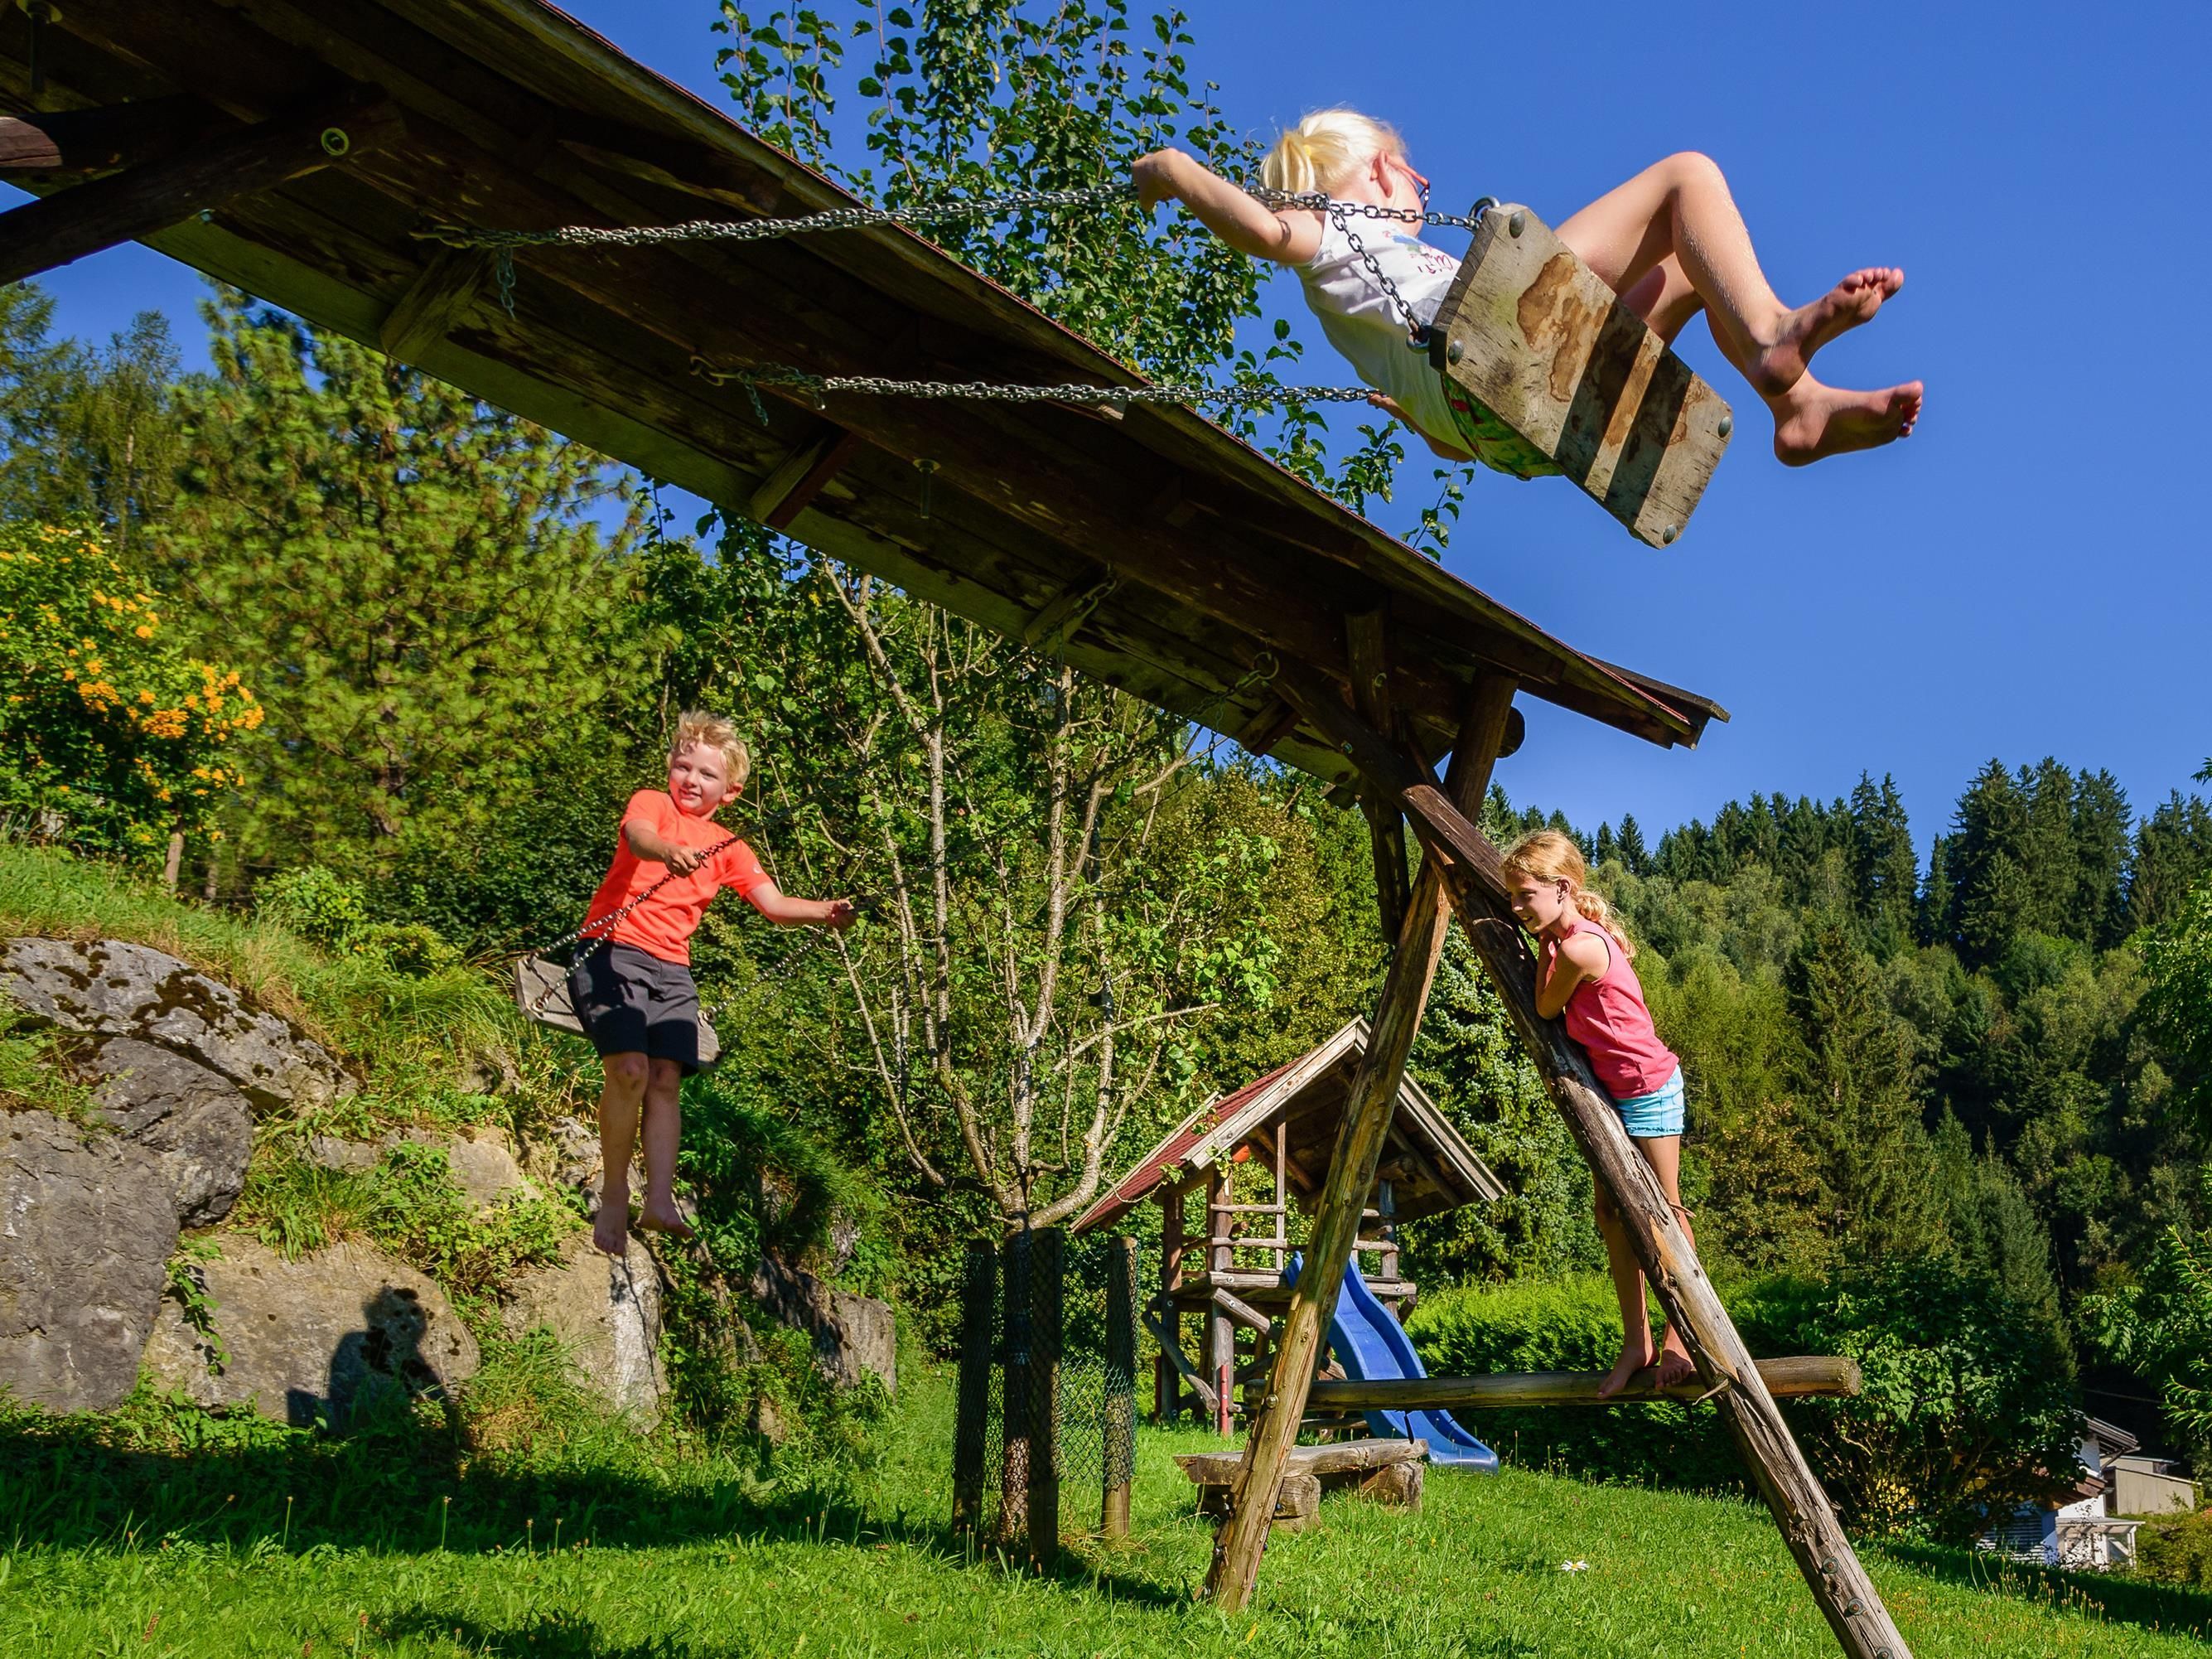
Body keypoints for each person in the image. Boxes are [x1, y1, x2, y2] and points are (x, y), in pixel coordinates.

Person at [1133, 111, 1922, 471]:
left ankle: (1798, 408)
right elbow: (1264, 230)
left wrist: (1410, 415)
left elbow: (1451, 446)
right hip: (1508, 351)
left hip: (1517, 431)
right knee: (1688, 175)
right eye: (1413, 175)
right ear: (1378, 169)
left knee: (1691, 272)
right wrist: (1174, 170)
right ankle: (1773, 333)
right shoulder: (1332, 231)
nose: (1424, 187)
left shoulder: (1380, 301)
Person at [572, 711, 855, 1256]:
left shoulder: (729, 846)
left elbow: (773, 905)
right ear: (669, 768)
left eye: (706, 774)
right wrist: (667, 852)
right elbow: (638, 836)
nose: (691, 780)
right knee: (629, 1071)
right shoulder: (653, 805)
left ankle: (659, 1200)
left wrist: (825, 911)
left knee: (664, 1079)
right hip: (613, 950)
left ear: (730, 791)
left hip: (672, 969)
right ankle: (615, 1193)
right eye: (684, 767)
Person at [1502, 830, 1696, 1398]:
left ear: (1562, 889)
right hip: (1612, 1094)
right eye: (1512, 897)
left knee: (1665, 1210)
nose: (1516, 908)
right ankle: (1637, 1341)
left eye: (1525, 896)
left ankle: (1681, 1338)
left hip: (1649, 1088)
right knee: (1610, 1212)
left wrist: (1544, 947)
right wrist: (1545, 938)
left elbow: (1545, 1007)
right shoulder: (1566, 939)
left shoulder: (1579, 948)